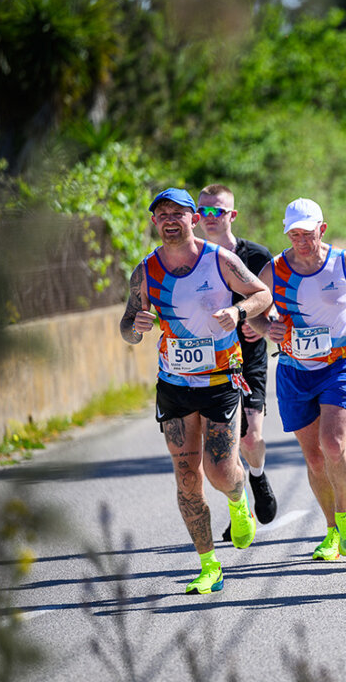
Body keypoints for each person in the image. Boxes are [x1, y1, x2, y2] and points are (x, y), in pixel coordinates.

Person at [119, 188, 274, 595]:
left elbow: (263, 294)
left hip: (221, 379)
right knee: (187, 479)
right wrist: (136, 326)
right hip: (174, 383)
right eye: (162, 214)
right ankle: (209, 565)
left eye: (179, 213)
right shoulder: (146, 271)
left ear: (193, 217)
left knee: (220, 471)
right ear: (154, 221)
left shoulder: (219, 259)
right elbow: (126, 328)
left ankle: (239, 500)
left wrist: (238, 311)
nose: (170, 219)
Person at [250, 198, 346, 561]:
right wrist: (267, 328)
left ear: (321, 229)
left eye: (307, 234)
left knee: (333, 444)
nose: (301, 241)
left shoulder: (343, 263)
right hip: (294, 370)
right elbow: (251, 309)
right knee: (313, 458)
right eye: (293, 234)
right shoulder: (274, 269)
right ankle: (331, 530)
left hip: (339, 365)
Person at [194, 184, 280, 540]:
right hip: (209, 363)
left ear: (233, 215)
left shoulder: (256, 255)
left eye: (219, 211)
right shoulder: (191, 259)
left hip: (248, 359)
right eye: (205, 211)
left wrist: (263, 326)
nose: (211, 218)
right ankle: (239, 505)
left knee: (250, 438)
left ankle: (257, 476)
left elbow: (273, 300)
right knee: (221, 447)